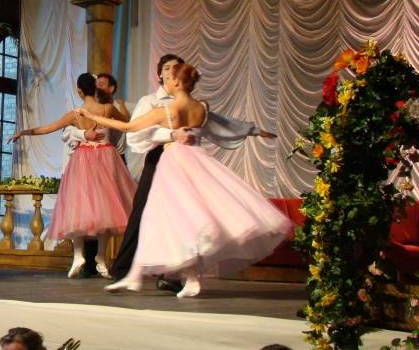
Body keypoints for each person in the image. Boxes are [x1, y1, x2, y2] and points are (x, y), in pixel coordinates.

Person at [79, 63, 291, 297]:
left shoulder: (166, 111)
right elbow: (222, 124)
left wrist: (91, 115)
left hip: (175, 164)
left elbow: (128, 126)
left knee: (163, 218)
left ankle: (140, 276)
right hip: (197, 162)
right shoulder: (202, 107)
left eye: (169, 78)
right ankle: (186, 278)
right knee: (187, 220)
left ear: (177, 82)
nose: (165, 81)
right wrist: (253, 130)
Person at [9, 73, 136, 278]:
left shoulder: (75, 115)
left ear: (79, 91)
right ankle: (100, 258)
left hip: (83, 160)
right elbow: (127, 123)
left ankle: (78, 255)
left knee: (77, 206)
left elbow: (48, 128)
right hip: (106, 158)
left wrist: (23, 132)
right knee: (106, 208)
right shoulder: (107, 109)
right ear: (96, 88)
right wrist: (119, 107)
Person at [61, 72, 128, 278]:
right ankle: (88, 259)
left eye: (103, 85)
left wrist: (119, 106)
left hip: (109, 160)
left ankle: (99, 258)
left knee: (104, 210)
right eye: (97, 84)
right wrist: (83, 134)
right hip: (88, 160)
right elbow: (66, 132)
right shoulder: (84, 112)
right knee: (83, 207)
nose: (99, 88)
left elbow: (127, 124)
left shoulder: (109, 108)